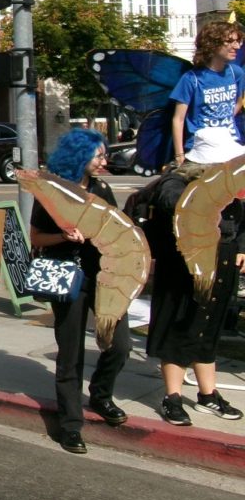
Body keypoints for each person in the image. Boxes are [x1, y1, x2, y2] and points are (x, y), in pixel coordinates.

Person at [29, 128, 131, 455]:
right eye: (99, 155)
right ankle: (71, 424)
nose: (104, 161)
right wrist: (63, 236)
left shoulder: (102, 189)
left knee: (120, 345)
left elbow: (116, 228)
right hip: (67, 276)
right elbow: (36, 239)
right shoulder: (53, 192)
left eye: (103, 155)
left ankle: (100, 395)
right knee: (70, 353)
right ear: (80, 156)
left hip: (103, 277)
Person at [144, 164, 245, 425]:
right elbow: (171, 203)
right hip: (185, 263)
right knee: (180, 326)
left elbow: (241, 219)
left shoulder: (231, 185)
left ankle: (207, 394)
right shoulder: (176, 182)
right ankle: (173, 398)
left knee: (208, 329)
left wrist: (242, 247)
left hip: (222, 259)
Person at [171, 20, 245, 166]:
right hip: (201, 149)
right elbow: (178, 119)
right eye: (229, 41)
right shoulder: (191, 79)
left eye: (238, 41)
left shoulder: (236, 73)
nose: (236, 46)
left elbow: (238, 103)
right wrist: (179, 155)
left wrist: (222, 120)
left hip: (230, 143)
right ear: (213, 44)